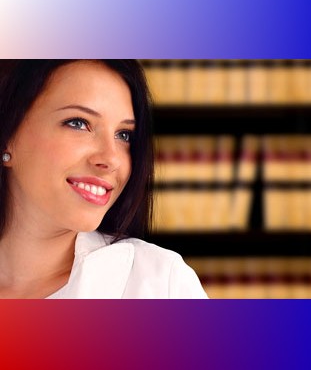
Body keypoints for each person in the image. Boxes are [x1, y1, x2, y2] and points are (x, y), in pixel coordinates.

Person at [0, 60, 207, 298]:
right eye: (78, 123)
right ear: (7, 136)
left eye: (124, 135)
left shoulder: (160, 284)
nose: (111, 158)